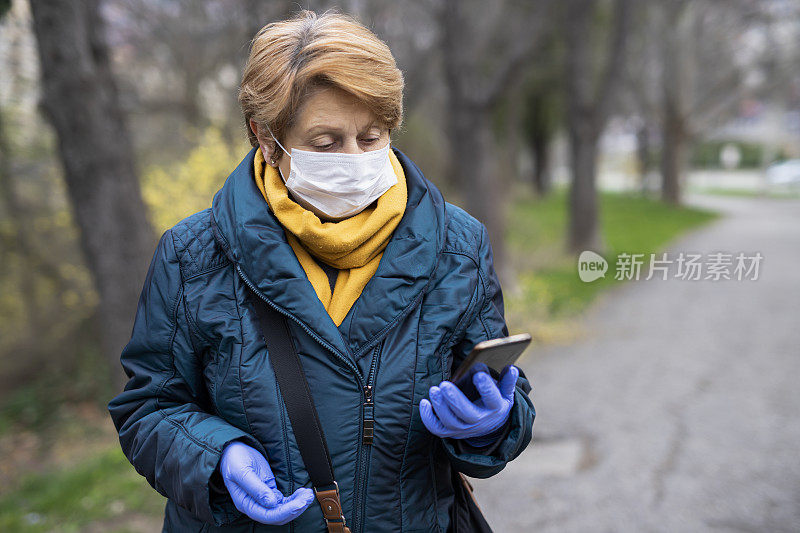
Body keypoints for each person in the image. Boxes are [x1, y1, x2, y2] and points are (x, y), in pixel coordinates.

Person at [107, 9, 534, 533]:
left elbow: (499, 391)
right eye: (326, 143)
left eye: (372, 136)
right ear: (265, 137)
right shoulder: (192, 255)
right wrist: (217, 457)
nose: (353, 159)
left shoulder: (458, 245)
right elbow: (150, 406)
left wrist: (492, 423)